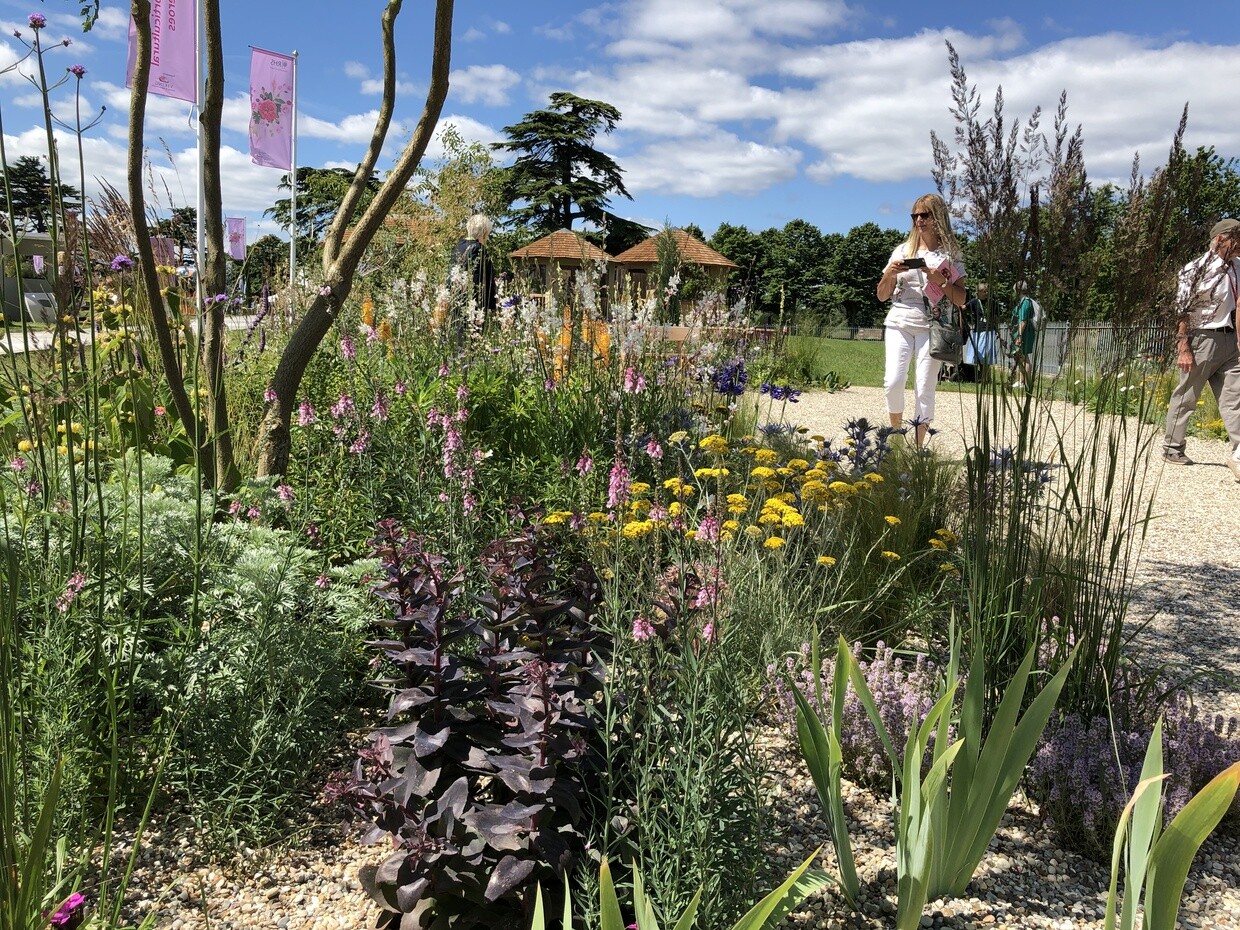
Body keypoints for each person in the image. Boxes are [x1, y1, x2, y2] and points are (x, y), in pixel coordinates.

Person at [875, 193, 967, 446]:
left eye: (924, 215)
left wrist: (941, 280)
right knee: (893, 381)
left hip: (932, 325)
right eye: (914, 215)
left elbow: (960, 298)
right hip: (899, 321)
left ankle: (916, 447)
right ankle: (895, 437)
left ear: (938, 217)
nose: (918, 220)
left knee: (924, 386)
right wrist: (890, 274)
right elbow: (882, 296)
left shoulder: (951, 253)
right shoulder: (903, 250)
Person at [1161, 218, 1240, 479]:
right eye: (1237, 239)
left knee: (1235, 398)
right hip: (1202, 340)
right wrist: (1183, 346)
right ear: (1220, 240)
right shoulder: (1195, 269)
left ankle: (1239, 453)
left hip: (1231, 340)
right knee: (1187, 395)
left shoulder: (1237, 267)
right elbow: (1182, 309)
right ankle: (1173, 447)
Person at [448, 213, 497, 344]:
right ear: (484, 232)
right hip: (474, 305)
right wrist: (492, 306)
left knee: (458, 341)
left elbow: (451, 277)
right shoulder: (480, 250)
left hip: (456, 303)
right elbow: (487, 281)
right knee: (471, 343)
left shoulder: (457, 248)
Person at [1008, 281, 1039, 388]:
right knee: (1020, 356)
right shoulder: (1022, 302)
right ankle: (1021, 381)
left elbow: (1023, 320)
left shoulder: (1025, 302)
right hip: (1021, 332)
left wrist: (1020, 336)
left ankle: (1025, 382)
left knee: (1024, 356)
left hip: (1025, 333)